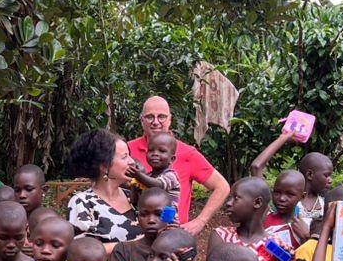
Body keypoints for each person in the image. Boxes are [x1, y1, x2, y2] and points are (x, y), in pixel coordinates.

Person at [128, 96, 230, 234]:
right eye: (149, 117)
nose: (156, 122)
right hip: (134, 233)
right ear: (142, 120)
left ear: (170, 120)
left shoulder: (187, 153)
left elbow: (222, 186)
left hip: (172, 234)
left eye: (162, 116)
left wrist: (200, 221)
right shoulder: (127, 150)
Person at [67, 129, 142, 245]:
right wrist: (137, 245)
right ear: (104, 166)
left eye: (130, 156)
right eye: (124, 157)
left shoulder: (134, 196)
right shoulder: (83, 203)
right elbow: (82, 250)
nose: (132, 162)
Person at [210, 177, 273, 261]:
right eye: (230, 198)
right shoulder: (221, 235)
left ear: (257, 203)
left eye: (236, 198)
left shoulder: (274, 246)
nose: (229, 203)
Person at [105, 187, 168, 261]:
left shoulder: (178, 248)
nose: (151, 220)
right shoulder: (123, 250)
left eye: (159, 214)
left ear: (170, 215)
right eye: (144, 214)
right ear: (138, 217)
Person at [127, 131, 181, 207]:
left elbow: (157, 186)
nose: (155, 154)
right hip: (148, 217)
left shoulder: (171, 176)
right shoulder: (147, 176)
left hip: (166, 218)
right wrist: (134, 184)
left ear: (172, 159)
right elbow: (134, 201)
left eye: (162, 151)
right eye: (150, 150)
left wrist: (138, 175)